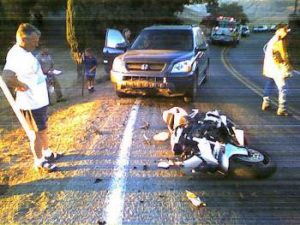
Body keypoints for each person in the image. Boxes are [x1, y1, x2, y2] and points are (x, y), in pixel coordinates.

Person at [1, 23, 62, 172]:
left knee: (43, 129)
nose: (37, 43)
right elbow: (7, 76)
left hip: (38, 101)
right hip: (31, 103)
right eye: (34, 40)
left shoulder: (25, 52)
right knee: (36, 133)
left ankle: (47, 153)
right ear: (23, 39)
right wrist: (20, 85)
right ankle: (40, 161)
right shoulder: (16, 54)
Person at [261, 24, 293, 116]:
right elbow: (283, 56)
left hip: (270, 67)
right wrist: (287, 65)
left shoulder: (273, 39)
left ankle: (265, 103)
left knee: (270, 83)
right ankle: (282, 108)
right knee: (283, 88)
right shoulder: (279, 41)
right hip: (277, 68)